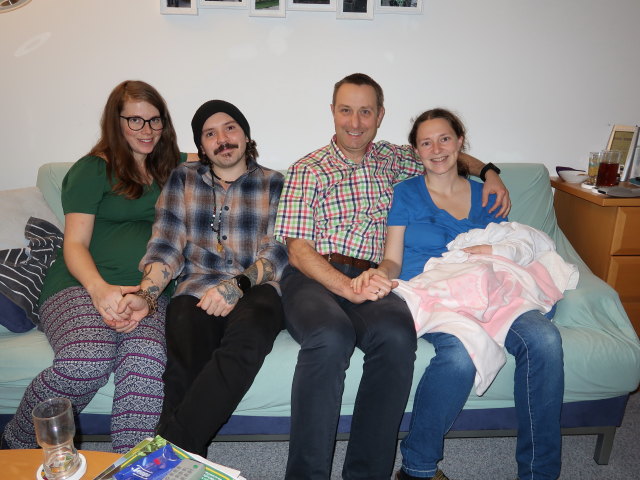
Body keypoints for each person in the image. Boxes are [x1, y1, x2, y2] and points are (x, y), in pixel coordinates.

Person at [274, 73, 511, 480]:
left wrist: (490, 172)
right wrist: (343, 285)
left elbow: (447, 154)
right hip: (314, 276)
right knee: (331, 338)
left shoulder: (394, 158)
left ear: (379, 115)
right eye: (346, 110)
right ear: (332, 112)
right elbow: (297, 249)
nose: (355, 122)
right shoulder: (307, 169)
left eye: (366, 111)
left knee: (397, 338)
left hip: (375, 275)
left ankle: (366, 474)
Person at [351, 108, 564, 480]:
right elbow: (393, 260)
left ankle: (538, 473)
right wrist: (379, 275)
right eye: (426, 142)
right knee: (459, 359)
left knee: (544, 339)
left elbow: (506, 244)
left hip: (489, 292)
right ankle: (417, 468)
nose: (436, 149)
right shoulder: (405, 193)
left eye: (444, 139)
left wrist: (492, 174)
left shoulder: (488, 195)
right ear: (416, 151)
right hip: (435, 294)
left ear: (460, 142)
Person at [2, 80, 183, 453]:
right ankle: (15, 446)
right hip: (78, 285)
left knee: (146, 363)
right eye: (135, 121)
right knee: (89, 356)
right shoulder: (93, 169)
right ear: (114, 122)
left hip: (147, 292)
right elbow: (75, 243)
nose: (147, 131)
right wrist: (99, 290)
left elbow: (214, 155)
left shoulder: (172, 168)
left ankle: (132, 468)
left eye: (155, 121)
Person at [118, 100, 288, 457]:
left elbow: (279, 251)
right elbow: (166, 244)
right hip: (196, 284)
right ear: (202, 145)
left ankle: (166, 453)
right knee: (184, 363)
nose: (222, 139)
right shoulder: (183, 178)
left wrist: (237, 284)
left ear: (244, 134)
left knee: (247, 341)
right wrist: (146, 296)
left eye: (229, 128)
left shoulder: (275, 183)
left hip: (255, 287)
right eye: (210, 134)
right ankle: (179, 463)